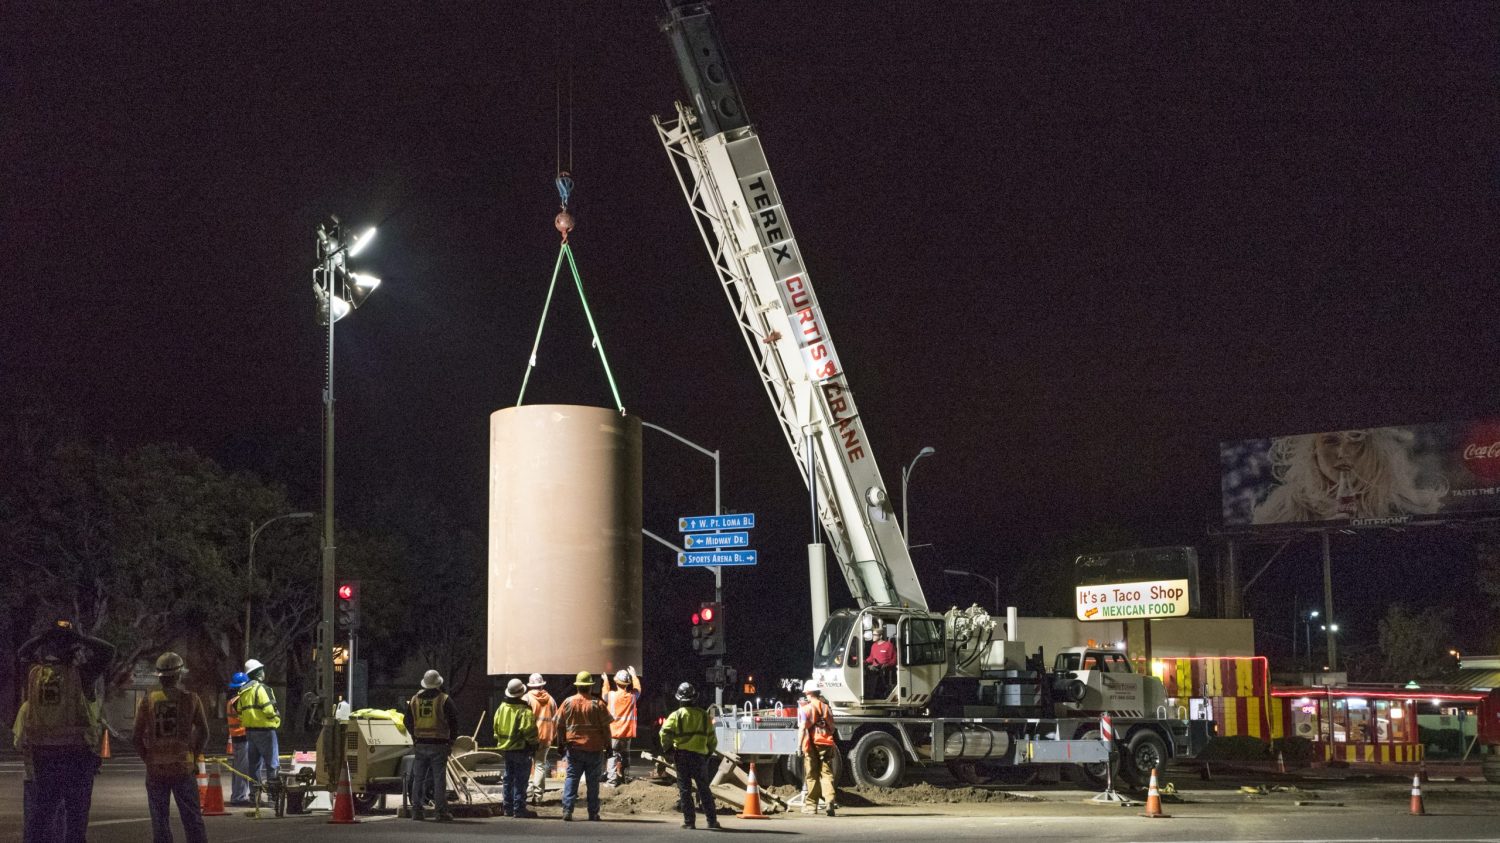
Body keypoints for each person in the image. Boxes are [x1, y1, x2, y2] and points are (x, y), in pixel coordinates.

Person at [18, 618, 115, 843]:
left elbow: (22, 653)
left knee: (40, 821)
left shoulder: (35, 675)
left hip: (44, 759)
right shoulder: (82, 675)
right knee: (75, 824)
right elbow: (109, 651)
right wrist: (79, 637)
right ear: (73, 649)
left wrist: (45, 637)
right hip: (76, 758)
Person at [1252, 428, 1446, 524]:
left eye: (1355, 440)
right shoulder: (1284, 510)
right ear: (1313, 451)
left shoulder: (1406, 507)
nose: (1343, 452)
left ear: (1375, 449)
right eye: (1331, 441)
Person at [131, 652, 209, 843]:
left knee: (160, 823)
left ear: (160, 676)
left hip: (156, 770)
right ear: (179, 674)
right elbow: (204, 732)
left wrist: (148, 758)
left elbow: (135, 737)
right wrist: (193, 755)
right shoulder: (190, 699)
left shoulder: (148, 701)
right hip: (183, 768)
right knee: (192, 821)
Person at [659, 681, 720, 830]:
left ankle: (689, 822)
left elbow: (664, 733)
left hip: (682, 756)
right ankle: (712, 821)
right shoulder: (703, 715)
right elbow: (712, 739)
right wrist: (708, 753)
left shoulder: (676, 715)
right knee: (704, 788)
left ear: (680, 699)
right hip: (699, 757)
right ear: (694, 698)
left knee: (685, 789)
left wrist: (668, 750)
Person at [552, 670, 611, 822]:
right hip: (595, 749)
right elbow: (606, 728)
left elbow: (559, 725)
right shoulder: (598, 704)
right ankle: (593, 813)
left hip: (574, 749)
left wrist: (560, 744)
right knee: (593, 782)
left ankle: (567, 811)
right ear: (590, 687)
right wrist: (609, 746)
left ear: (577, 687)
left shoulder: (568, 702)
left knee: (571, 778)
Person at [407, 669, 460, 822]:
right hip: (439, 744)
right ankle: (440, 812)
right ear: (438, 683)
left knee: (418, 778)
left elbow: (407, 721)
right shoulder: (444, 699)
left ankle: (416, 811)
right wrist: (452, 741)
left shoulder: (415, 699)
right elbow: (454, 721)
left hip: (420, 744)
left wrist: (415, 736)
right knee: (439, 779)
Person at [234, 658, 280, 804]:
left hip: (250, 732)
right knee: (272, 765)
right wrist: (275, 716)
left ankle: (255, 797)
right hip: (266, 731)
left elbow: (240, 712)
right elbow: (269, 709)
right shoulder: (262, 689)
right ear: (259, 673)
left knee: (254, 765)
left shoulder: (243, 691)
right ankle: (273, 798)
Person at [493, 678, 539, 818]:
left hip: (507, 749)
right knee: (520, 780)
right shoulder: (524, 709)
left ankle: (507, 807)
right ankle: (519, 809)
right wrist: (534, 744)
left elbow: (496, 728)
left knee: (508, 779)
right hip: (522, 749)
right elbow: (529, 730)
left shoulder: (501, 708)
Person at [797, 679, 838, 817]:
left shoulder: (806, 709)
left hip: (810, 745)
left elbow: (803, 728)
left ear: (808, 692)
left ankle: (811, 806)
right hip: (826, 744)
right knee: (826, 773)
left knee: (811, 775)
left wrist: (798, 745)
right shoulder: (826, 707)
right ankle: (829, 801)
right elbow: (832, 727)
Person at [602, 665, 640, 786]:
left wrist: (606, 681)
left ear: (616, 682)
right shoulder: (633, 697)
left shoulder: (611, 696)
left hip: (614, 733)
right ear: (628, 684)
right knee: (625, 756)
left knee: (613, 757)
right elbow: (638, 689)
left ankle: (612, 781)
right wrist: (634, 675)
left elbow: (604, 694)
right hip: (627, 734)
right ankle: (625, 778)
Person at [522, 673, 557, 804]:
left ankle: (525, 793)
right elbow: (555, 719)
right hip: (546, 737)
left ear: (530, 685)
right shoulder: (551, 699)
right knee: (540, 765)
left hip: (530, 737)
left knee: (526, 765)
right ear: (542, 684)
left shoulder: (526, 698)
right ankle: (538, 796)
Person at [224, 672, 251, 806]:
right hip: (242, 737)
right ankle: (239, 797)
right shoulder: (238, 701)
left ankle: (237, 795)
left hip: (237, 738)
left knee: (238, 768)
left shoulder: (231, 700)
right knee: (242, 769)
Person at [865, 625, 896, 698]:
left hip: (884, 671)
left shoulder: (888, 645)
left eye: (874, 635)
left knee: (880, 687)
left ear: (881, 636)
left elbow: (894, 659)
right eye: (872, 634)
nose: (873, 636)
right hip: (874, 670)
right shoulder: (874, 646)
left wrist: (887, 665)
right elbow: (871, 658)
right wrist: (862, 661)